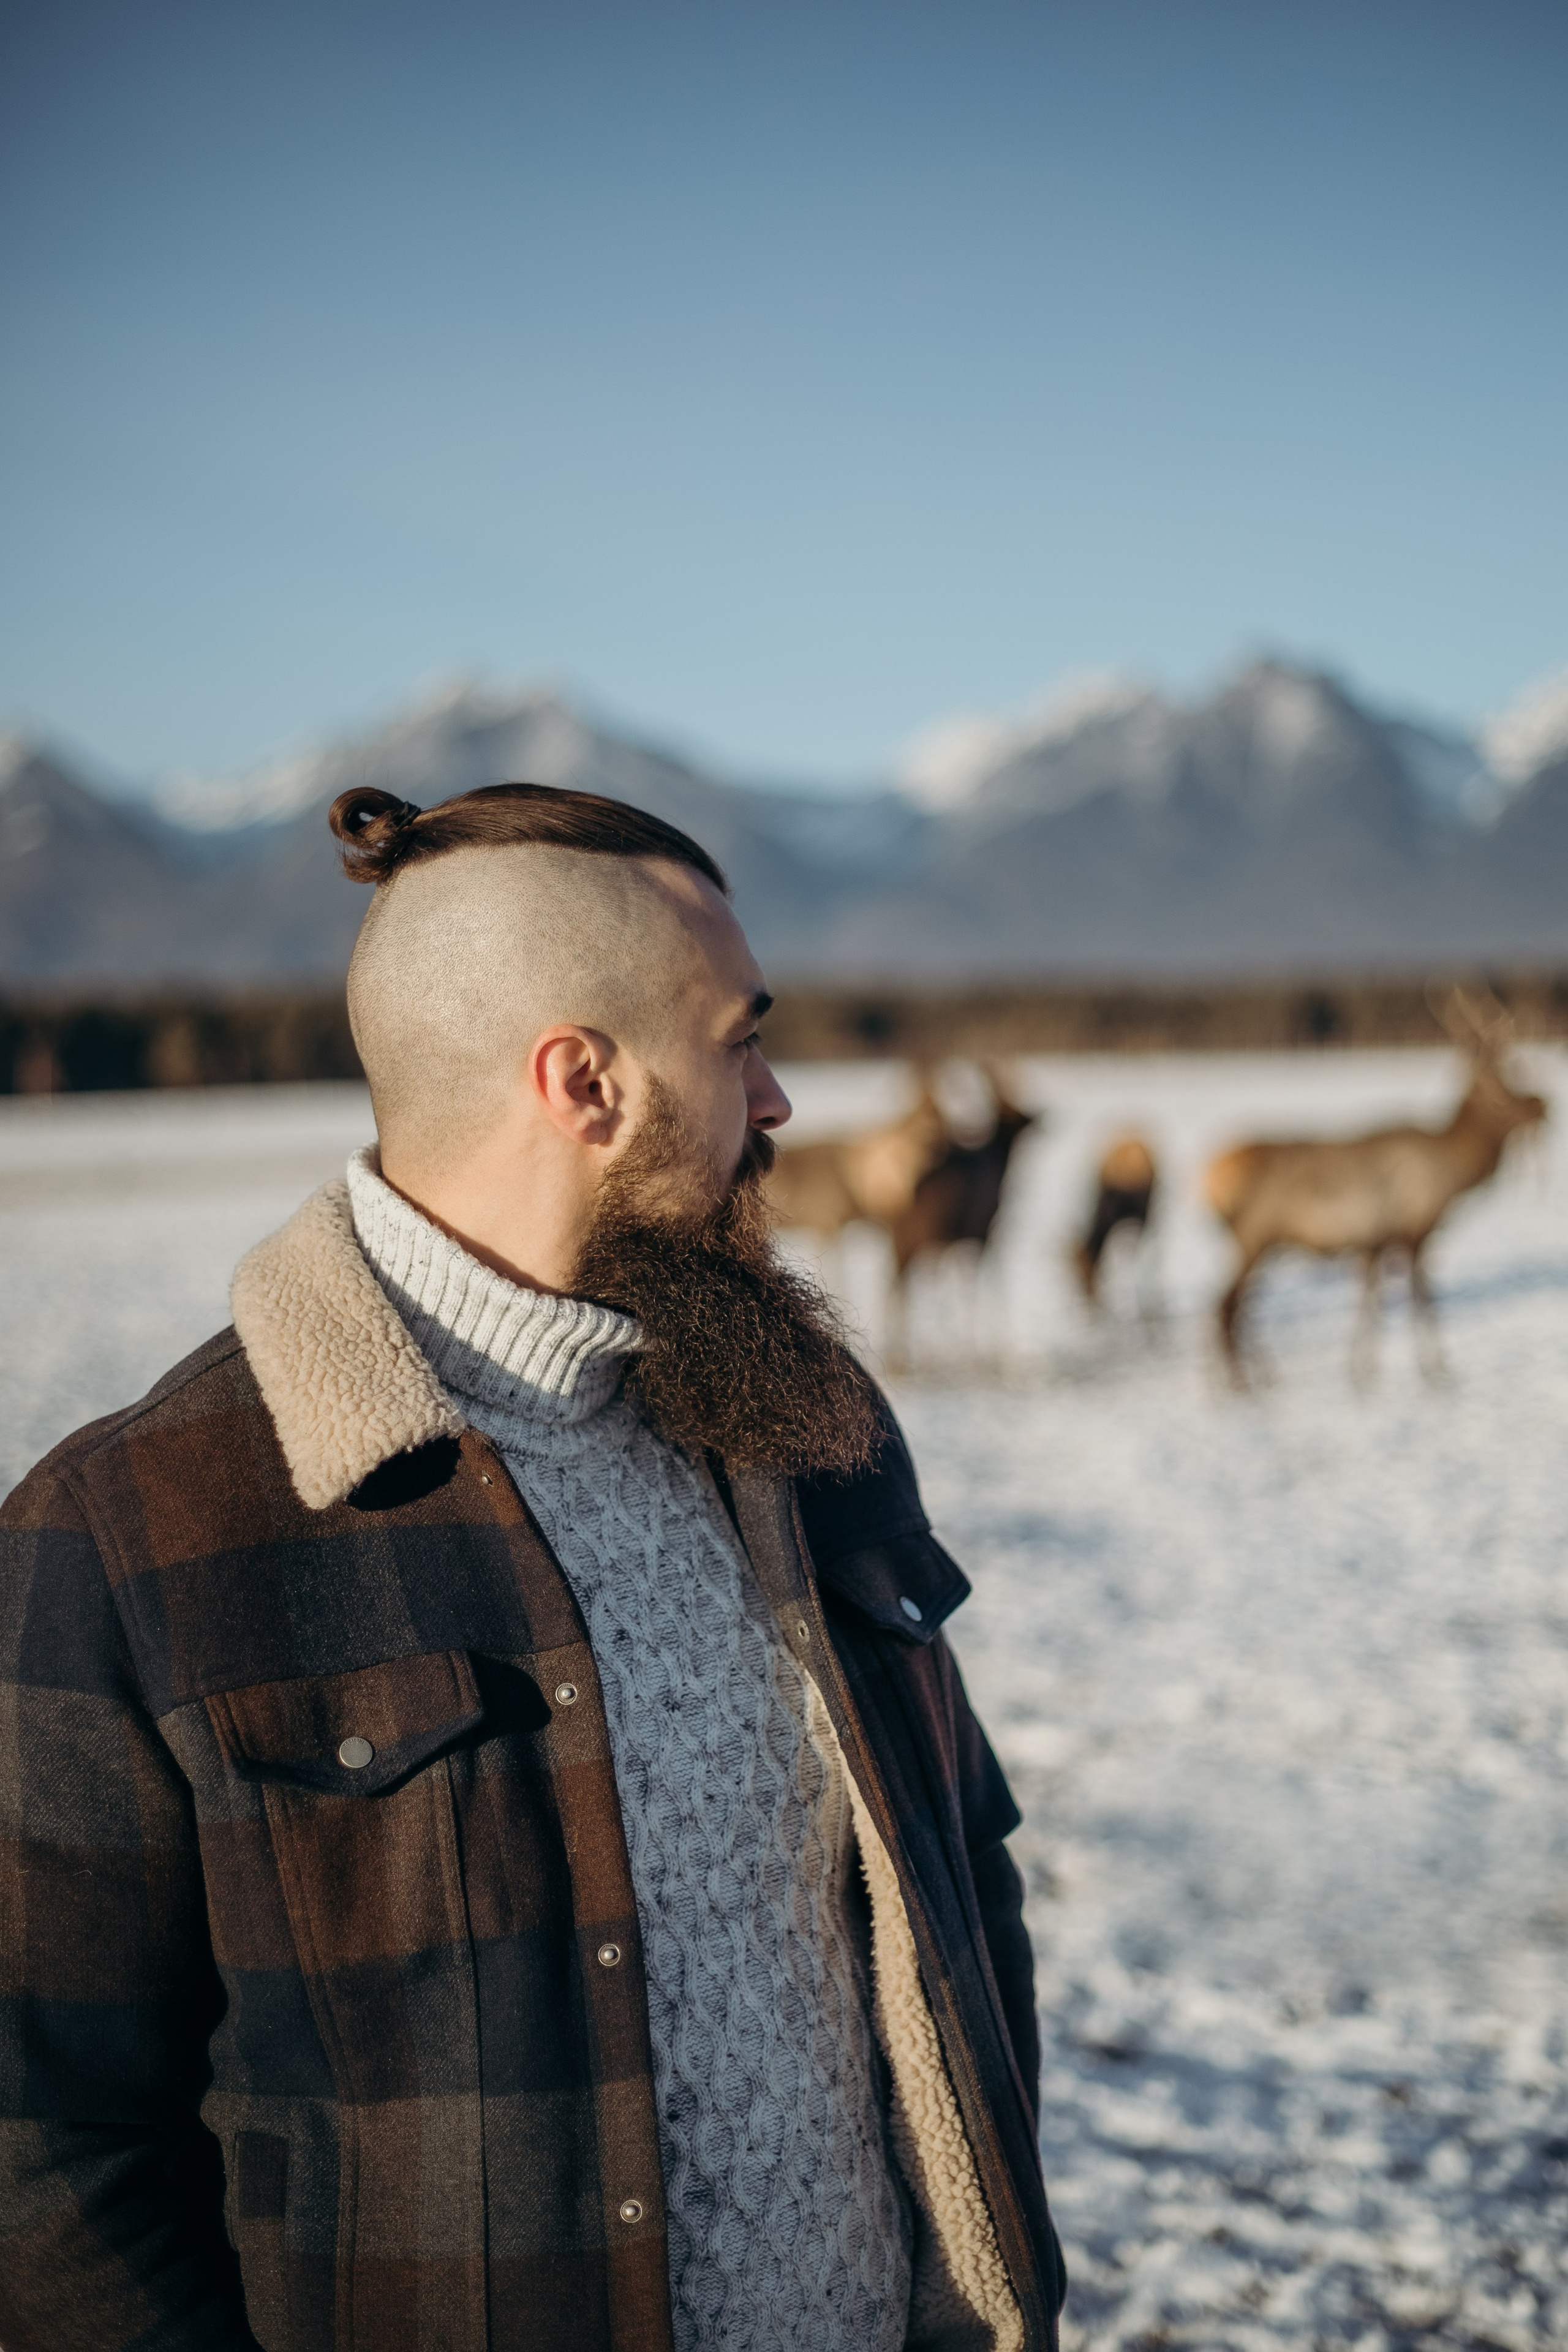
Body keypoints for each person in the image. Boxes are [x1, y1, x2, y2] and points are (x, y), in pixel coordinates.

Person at [0, 782, 1065, 2352]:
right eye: (738, 1042)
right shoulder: (124, 1538)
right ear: (583, 1082)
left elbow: (956, 1879)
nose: (774, 1104)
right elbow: (44, 2159)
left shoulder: (797, 1422)